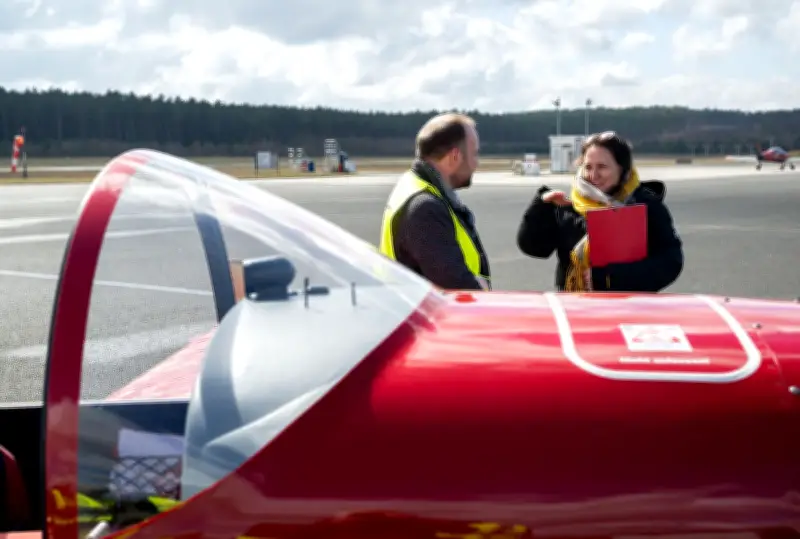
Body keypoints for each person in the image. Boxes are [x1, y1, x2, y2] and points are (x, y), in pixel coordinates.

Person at [516, 131, 683, 292]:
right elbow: (535, 249)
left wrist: (608, 279)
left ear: (622, 169)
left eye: (602, 167)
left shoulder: (646, 207)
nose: (594, 175)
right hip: (575, 305)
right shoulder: (571, 205)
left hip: (629, 307)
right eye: (588, 167)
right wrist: (541, 207)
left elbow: (670, 262)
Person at [378, 112, 491, 290]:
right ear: (454, 157)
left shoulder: (413, 185)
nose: (476, 164)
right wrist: (479, 288)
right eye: (474, 154)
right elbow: (458, 288)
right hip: (434, 315)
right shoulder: (425, 208)